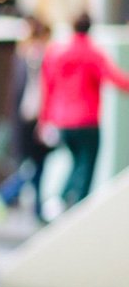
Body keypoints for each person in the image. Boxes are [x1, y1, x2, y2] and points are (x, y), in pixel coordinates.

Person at [39, 12, 129, 210]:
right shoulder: (92, 53)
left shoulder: (57, 53)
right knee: (86, 167)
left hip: (62, 121)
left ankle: (60, 200)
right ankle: (76, 208)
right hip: (87, 121)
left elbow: (48, 88)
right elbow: (116, 78)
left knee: (76, 163)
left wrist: (44, 120)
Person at [0, 16, 52, 224]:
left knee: (36, 166)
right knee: (32, 168)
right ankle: (3, 196)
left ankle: (37, 210)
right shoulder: (34, 58)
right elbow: (34, 95)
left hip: (26, 122)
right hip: (32, 122)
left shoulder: (21, 56)